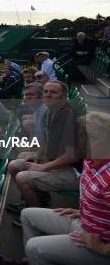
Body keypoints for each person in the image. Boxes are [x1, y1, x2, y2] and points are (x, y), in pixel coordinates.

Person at [21, 111, 110, 265]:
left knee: (34, 247)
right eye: (83, 136)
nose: (84, 142)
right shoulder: (90, 160)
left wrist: (103, 248)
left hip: (97, 242)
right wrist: (84, 212)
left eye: (93, 138)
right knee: (27, 215)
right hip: (83, 221)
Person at [8, 81, 80, 218]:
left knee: (22, 177)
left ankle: (35, 216)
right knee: (14, 165)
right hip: (58, 163)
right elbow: (48, 140)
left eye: (53, 92)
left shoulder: (68, 116)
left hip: (75, 172)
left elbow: (72, 157)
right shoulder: (53, 112)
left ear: (64, 96)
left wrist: (43, 167)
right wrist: (38, 156)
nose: (48, 95)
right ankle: (39, 197)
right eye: (46, 92)